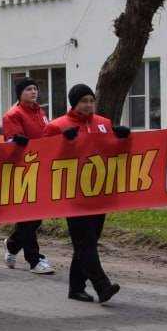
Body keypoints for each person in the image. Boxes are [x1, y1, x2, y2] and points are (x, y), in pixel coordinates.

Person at [45, 85, 128, 303]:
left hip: (98, 191)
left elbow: (112, 153)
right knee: (86, 243)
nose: (88, 105)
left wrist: (123, 139)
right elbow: (46, 158)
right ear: (74, 103)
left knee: (88, 242)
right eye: (83, 101)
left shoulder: (104, 123)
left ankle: (76, 287)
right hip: (72, 194)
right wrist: (63, 142)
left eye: (91, 100)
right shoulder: (57, 126)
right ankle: (102, 286)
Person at [1, 77, 55, 274]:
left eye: (35, 88)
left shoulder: (41, 112)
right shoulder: (13, 115)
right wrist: (18, 142)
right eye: (28, 89)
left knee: (37, 216)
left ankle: (13, 243)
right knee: (30, 214)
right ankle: (34, 260)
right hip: (24, 170)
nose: (33, 92)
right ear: (19, 94)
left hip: (42, 167)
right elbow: (13, 142)